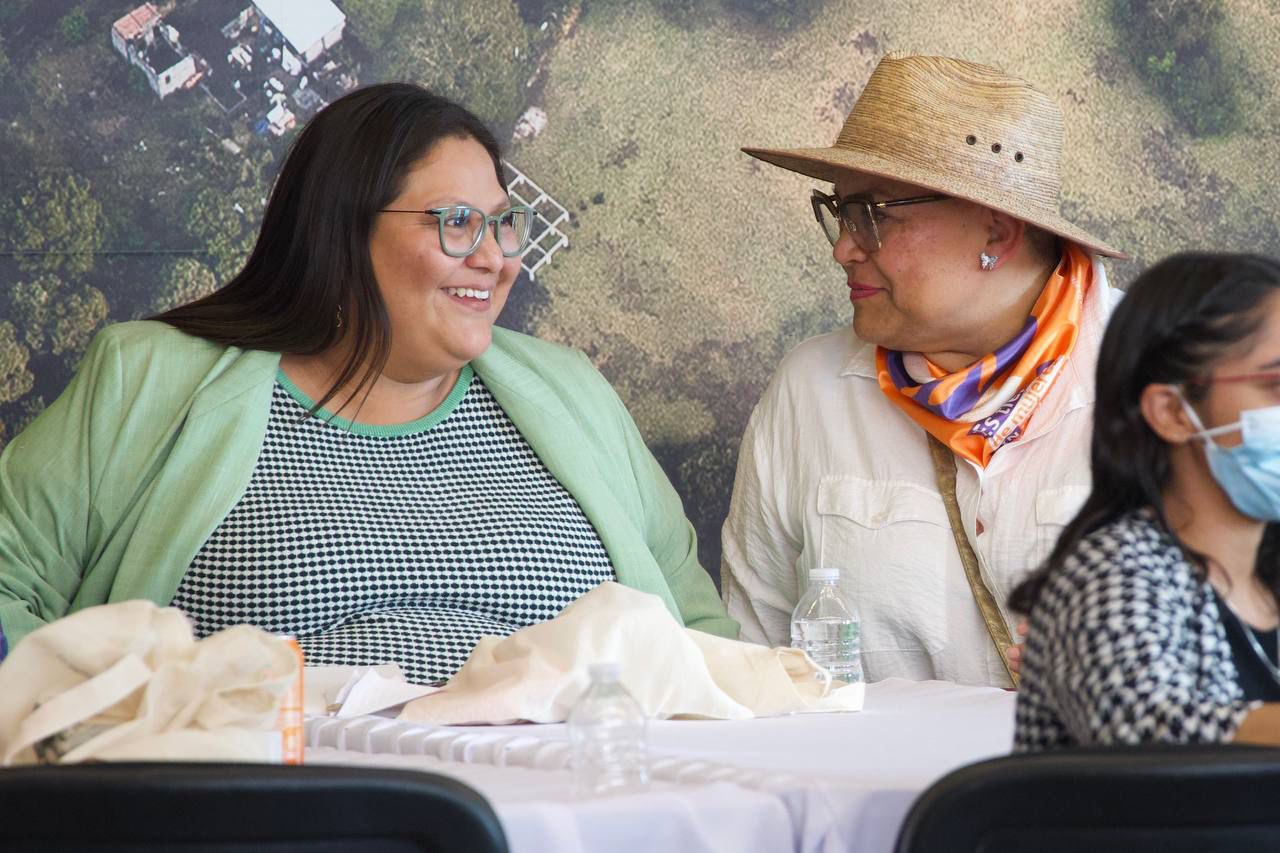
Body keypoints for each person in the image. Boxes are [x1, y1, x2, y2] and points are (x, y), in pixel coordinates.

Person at [0, 83, 736, 685]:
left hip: (576, 801)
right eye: (457, 223)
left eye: (502, 224)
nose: (494, 258)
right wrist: (108, 741)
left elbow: (705, 642)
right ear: (343, 232)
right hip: (282, 804)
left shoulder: (575, 393)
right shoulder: (147, 379)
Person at [721, 53, 1126, 687]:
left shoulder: (1179, 384)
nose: (843, 247)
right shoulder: (811, 392)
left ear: (996, 232)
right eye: (840, 212)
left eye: (873, 215)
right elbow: (754, 661)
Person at [1012, 253, 1280, 749]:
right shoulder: (1112, 571)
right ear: (1173, 411)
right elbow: (1146, 733)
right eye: (1275, 384)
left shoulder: (1268, 572)